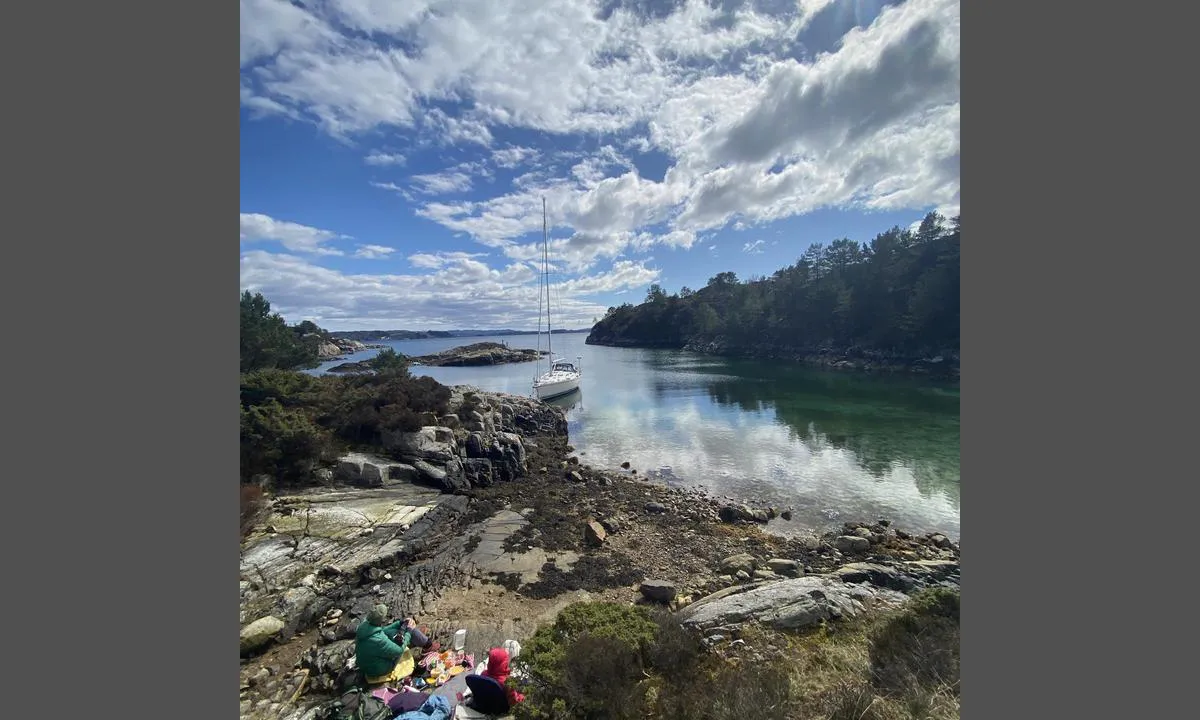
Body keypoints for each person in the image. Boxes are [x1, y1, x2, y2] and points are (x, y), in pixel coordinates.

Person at [355, 604, 437, 685]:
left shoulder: (364, 626)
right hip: (378, 670)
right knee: (402, 638)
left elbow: (382, 630)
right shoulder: (378, 639)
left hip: (366, 666)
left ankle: (419, 639)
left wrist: (399, 623)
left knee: (395, 632)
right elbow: (399, 650)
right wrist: (409, 631)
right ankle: (427, 645)